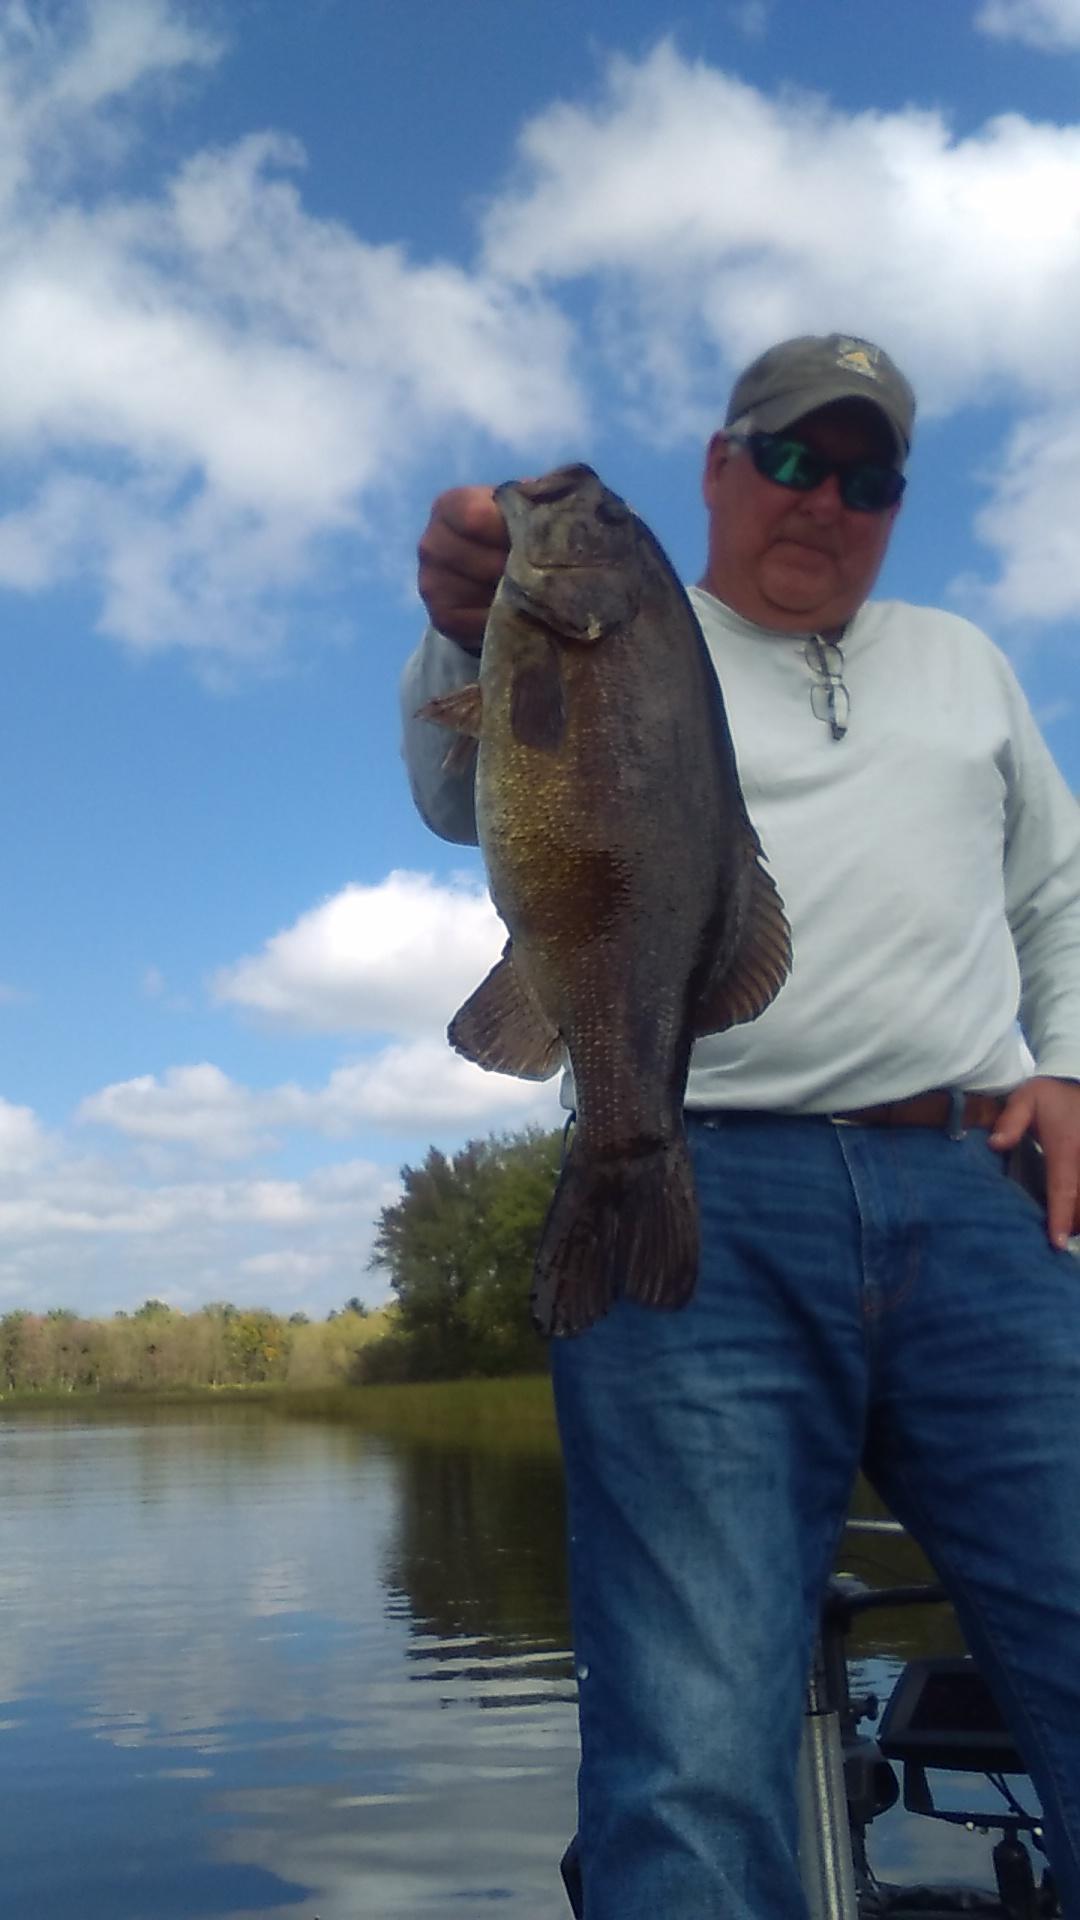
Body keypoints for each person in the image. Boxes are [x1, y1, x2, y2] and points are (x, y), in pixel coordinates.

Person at [401, 333, 1080, 1919]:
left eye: (867, 477)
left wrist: (1071, 1065)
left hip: (976, 1191)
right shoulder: (616, 630)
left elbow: (1057, 894)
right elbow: (451, 790)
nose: (824, 498)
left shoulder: (965, 663)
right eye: (789, 459)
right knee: (692, 1758)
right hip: (692, 1168)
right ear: (717, 467)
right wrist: (454, 623)